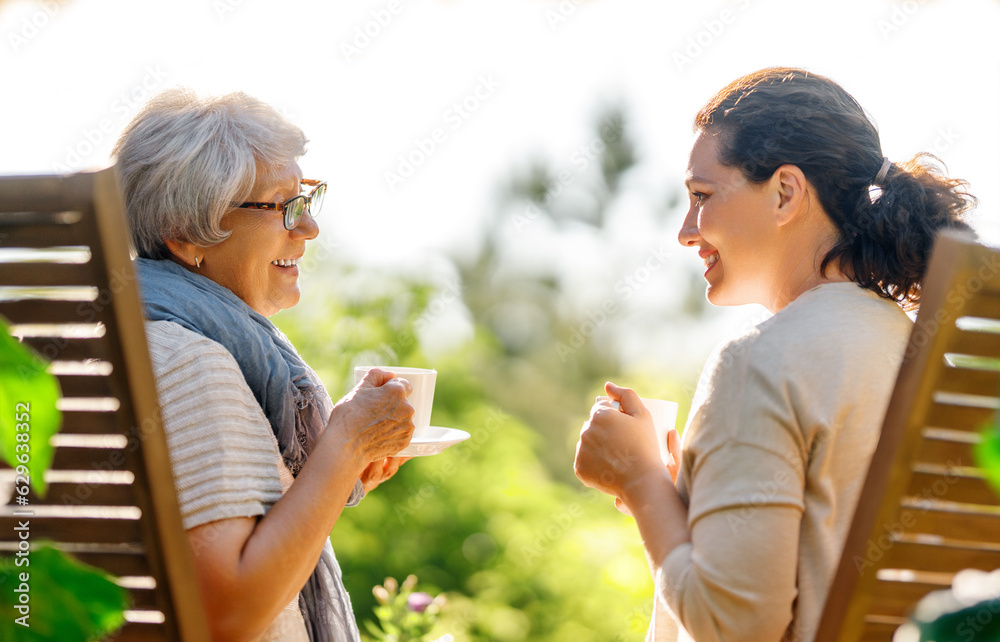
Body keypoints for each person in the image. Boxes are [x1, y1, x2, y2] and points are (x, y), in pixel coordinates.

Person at [573, 67, 975, 642]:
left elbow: (737, 627)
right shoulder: (918, 350)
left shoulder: (759, 361)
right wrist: (677, 500)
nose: (685, 231)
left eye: (701, 196)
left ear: (786, 191)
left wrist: (639, 484)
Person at [113, 88, 416, 642]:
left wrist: (336, 468)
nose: (308, 230)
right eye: (282, 206)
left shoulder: (120, 339)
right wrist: (345, 442)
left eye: (307, 200)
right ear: (186, 234)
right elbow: (226, 614)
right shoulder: (185, 361)